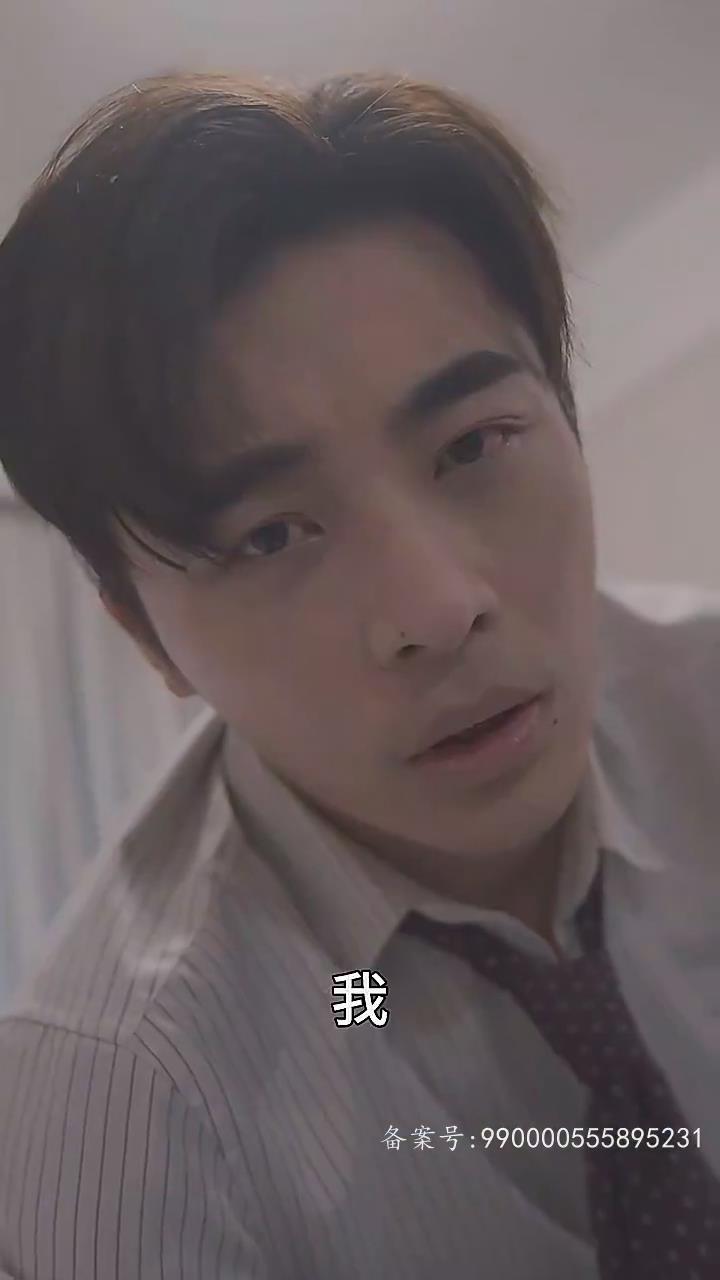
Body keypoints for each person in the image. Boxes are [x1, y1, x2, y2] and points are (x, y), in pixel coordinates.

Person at [0, 70, 718, 1280]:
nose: (437, 608)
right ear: (144, 635)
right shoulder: (129, 1111)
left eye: (474, 444)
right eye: (271, 534)